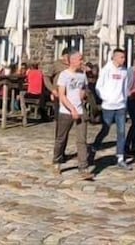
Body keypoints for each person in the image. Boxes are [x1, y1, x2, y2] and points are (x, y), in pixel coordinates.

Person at [52, 49, 92, 180]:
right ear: (73, 60)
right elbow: (62, 95)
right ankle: (57, 161)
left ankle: (83, 167)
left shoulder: (82, 75)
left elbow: (84, 89)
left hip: (81, 111)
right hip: (66, 111)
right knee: (61, 138)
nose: (82, 61)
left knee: (82, 140)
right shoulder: (64, 75)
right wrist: (72, 109)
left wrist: (84, 94)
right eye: (80, 59)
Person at [92, 48, 132, 169]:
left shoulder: (124, 71)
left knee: (121, 132)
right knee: (105, 129)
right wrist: (107, 98)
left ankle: (120, 157)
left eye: (124, 57)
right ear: (114, 57)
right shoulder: (106, 69)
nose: (123, 60)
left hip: (120, 106)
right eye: (121, 57)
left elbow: (125, 87)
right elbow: (98, 87)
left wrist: (124, 101)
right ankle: (94, 148)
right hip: (108, 106)